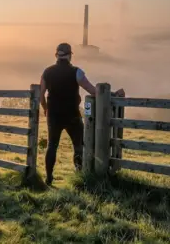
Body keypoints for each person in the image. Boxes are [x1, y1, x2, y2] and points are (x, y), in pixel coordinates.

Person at [40, 43, 124, 186]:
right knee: (78, 146)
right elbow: (93, 91)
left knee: (52, 145)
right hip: (72, 115)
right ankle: (79, 174)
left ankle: (48, 178)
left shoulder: (47, 72)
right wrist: (113, 95)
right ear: (70, 55)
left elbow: (40, 94)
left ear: (56, 55)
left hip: (53, 115)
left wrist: (45, 108)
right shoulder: (76, 72)